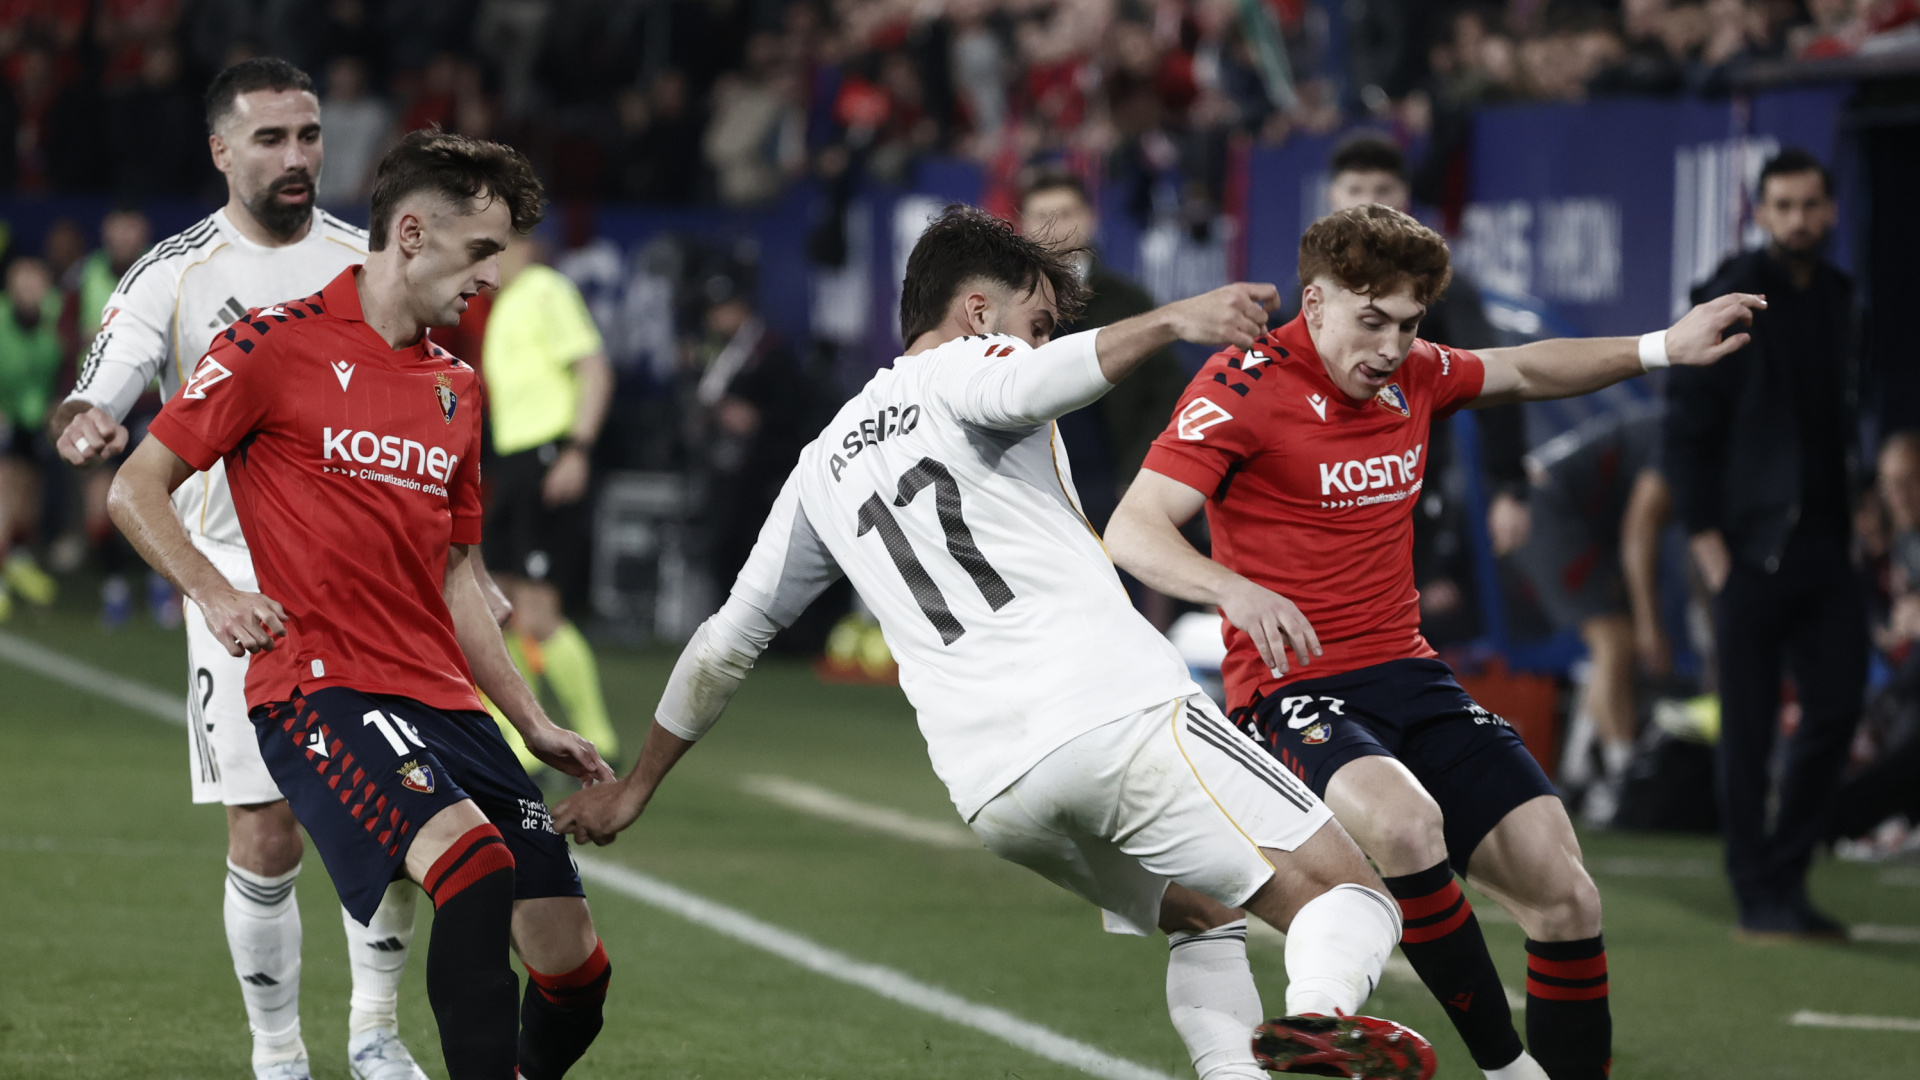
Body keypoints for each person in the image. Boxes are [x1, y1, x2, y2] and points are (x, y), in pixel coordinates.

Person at [554, 206, 1437, 1080]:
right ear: (978, 311)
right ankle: (1322, 1024)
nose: (1039, 342)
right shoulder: (971, 364)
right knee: (1351, 895)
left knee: (1204, 914)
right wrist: (1173, 320)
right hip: (1112, 713)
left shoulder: (821, 464)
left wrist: (637, 787)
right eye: (1037, 322)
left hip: (994, 789)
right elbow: (1030, 383)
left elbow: (724, 644)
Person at [1105, 204, 1763, 1080]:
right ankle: (1507, 1068)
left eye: (1409, 325)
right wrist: (1233, 587)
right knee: (1407, 825)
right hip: (1291, 690)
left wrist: (1660, 347)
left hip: (1411, 675)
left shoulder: (1412, 374)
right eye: (1371, 320)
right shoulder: (1242, 383)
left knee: (1565, 894)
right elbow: (1133, 528)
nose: (1389, 347)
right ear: (1315, 301)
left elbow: (1524, 368)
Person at [107, 128, 617, 1080]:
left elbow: (458, 581)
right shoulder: (270, 346)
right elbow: (135, 487)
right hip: (321, 688)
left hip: (446, 700)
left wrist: (533, 722)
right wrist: (215, 592)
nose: (492, 277)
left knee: (575, 970)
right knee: (473, 869)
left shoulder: (457, 389)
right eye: (481, 250)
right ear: (412, 234)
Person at [46, 58, 433, 1080]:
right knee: (264, 831)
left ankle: (376, 1033)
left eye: (309, 135)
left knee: (394, 813)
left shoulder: (366, 264)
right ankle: (277, 1055)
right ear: (222, 151)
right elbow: (102, 386)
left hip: (364, 581)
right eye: (271, 139)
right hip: (233, 582)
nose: (298, 155)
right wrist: (89, 421)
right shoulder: (173, 274)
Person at [1665, 148, 1866, 940]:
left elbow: (1849, 416)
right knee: (1746, 732)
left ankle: (1787, 873)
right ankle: (1756, 890)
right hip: (1747, 550)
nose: (1799, 220)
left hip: (1828, 544)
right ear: (1760, 212)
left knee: (1837, 709)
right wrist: (1709, 544)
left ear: (1831, 209)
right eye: (1783, 206)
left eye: (1810, 204)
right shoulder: (1728, 298)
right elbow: (1686, 431)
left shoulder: (1844, 298)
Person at [1323, 134, 1531, 644]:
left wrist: (1510, 488)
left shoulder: (1441, 287)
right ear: (1333, 196)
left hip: (1410, 494)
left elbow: (1493, 377)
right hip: (1323, 492)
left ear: (1405, 197)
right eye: (1355, 189)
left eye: (1382, 189)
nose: (1369, 202)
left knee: (1402, 640)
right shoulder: (1309, 287)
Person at [479, 234, 617, 769]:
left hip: (547, 456)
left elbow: (594, 369)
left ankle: (598, 735)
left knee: (537, 610)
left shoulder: (545, 289)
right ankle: (526, 741)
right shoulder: (507, 302)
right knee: (501, 605)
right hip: (514, 464)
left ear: (521, 243)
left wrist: (576, 450)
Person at [1513, 403, 1668, 825]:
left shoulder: (1663, 427)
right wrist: (1650, 626)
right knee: (1614, 640)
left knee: (1608, 651)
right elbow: (1639, 529)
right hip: (1548, 514)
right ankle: (1622, 776)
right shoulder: (1680, 433)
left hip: (1565, 516)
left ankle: (1577, 772)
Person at [1018, 171, 1187, 533]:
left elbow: (1166, 391)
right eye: (1041, 217)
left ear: (1090, 218)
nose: (1053, 228)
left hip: (1108, 487)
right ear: (1023, 227)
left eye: (1065, 214)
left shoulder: (1128, 300)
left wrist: (1137, 472)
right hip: (1030, 490)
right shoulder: (1005, 307)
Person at [0, 255, 65, 620]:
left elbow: (65, 362)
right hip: (4, 414)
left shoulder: (56, 317)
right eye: (21, 281)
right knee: (4, 490)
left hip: (36, 416)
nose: (29, 288)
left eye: (35, 281)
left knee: (28, 497)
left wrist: (57, 405)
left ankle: (18, 561)